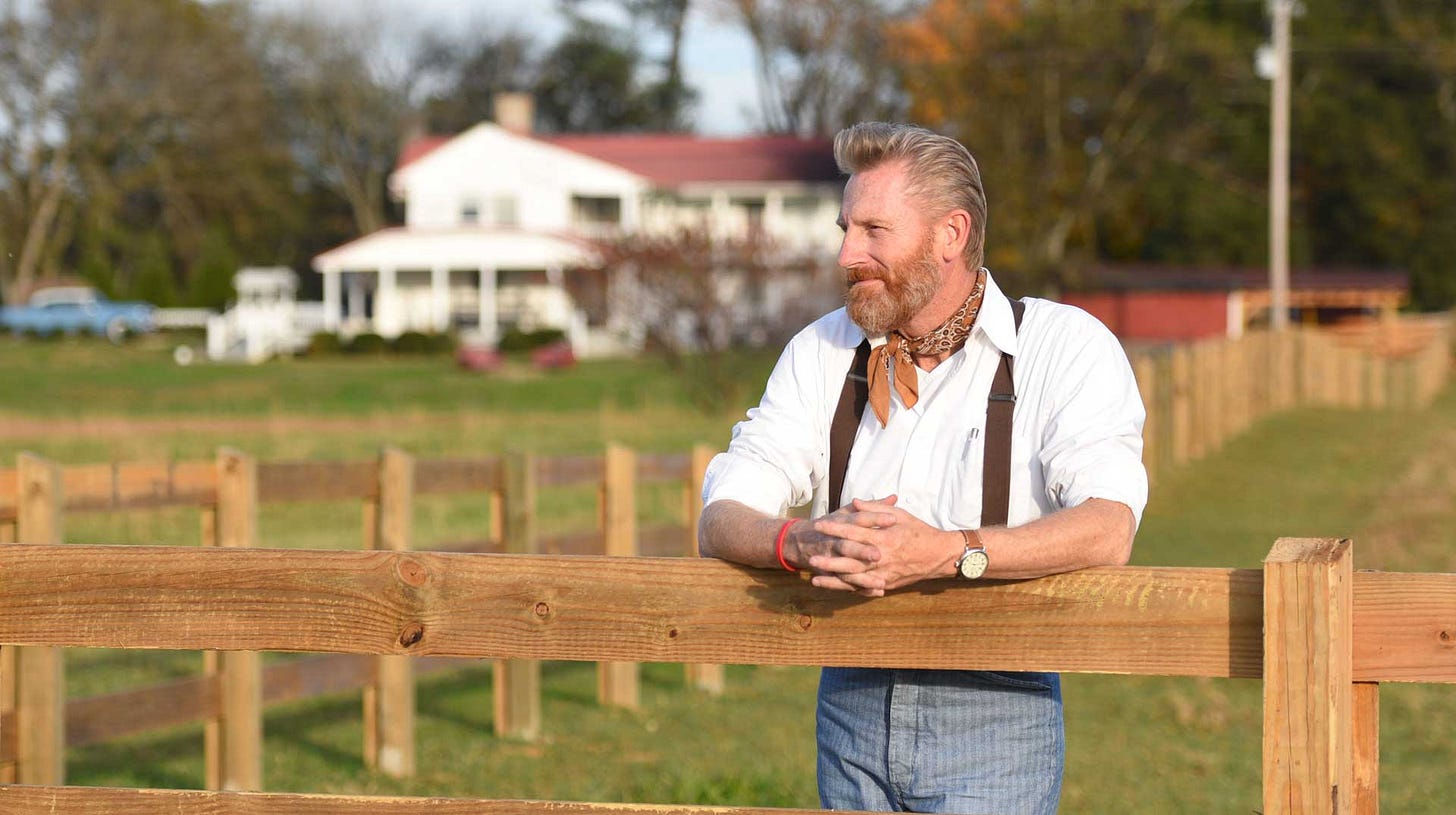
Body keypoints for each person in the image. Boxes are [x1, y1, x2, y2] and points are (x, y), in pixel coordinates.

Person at [697, 122, 1148, 815]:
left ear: (950, 235)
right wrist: (798, 542)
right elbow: (722, 515)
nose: (848, 253)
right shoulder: (822, 350)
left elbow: (1107, 528)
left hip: (997, 707)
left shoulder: (1063, 347)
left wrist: (943, 553)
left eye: (875, 230)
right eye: (846, 227)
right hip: (848, 697)